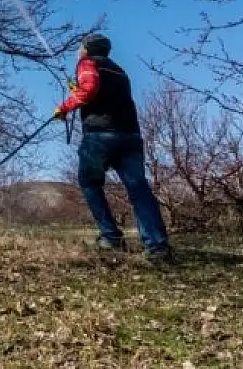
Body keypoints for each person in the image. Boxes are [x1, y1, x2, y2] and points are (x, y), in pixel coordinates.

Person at [53, 34, 173, 263]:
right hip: (130, 136)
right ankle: (157, 246)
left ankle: (110, 237)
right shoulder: (119, 70)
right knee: (139, 189)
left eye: (80, 47)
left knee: (90, 183)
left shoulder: (87, 64)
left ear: (87, 49)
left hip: (100, 136)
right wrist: (78, 91)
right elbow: (96, 91)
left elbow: (89, 90)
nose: (78, 51)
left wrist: (65, 107)